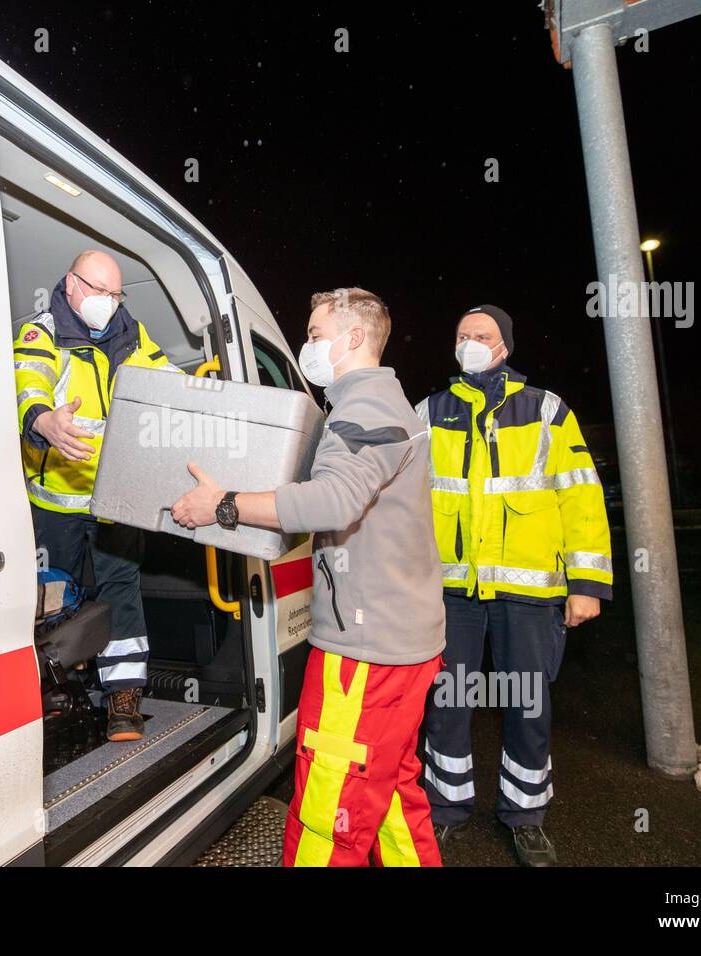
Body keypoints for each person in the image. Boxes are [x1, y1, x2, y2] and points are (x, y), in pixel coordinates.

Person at [172, 288, 445, 866]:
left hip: (366, 651)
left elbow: (335, 501)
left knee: (328, 811)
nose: (309, 346)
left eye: (317, 334)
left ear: (353, 339)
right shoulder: (383, 402)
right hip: (399, 639)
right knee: (390, 791)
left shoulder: (365, 407)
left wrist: (225, 505)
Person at [416, 304, 613, 866]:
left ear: (506, 346)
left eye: (483, 335)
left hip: (529, 592)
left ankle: (526, 816)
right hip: (450, 589)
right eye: (462, 335)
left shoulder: (545, 409)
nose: (471, 342)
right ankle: (445, 809)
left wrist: (588, 584)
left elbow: (580, 496)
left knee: (526, 703)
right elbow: (400, 493)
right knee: (448, 701)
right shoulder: (431, 411)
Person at [14, 250, 179, 741]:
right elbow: (29, 381)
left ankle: (123, 700)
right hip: (56, 501)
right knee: (53, 598)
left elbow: (168, 380)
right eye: (97, 290)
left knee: (121, 590)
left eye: (114, 293)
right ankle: (52, 692)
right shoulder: (40, 333)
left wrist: (206, 406)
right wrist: (43, 419)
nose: (107, 302)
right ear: (70, 285)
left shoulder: (132, 334)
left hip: (115, 499)